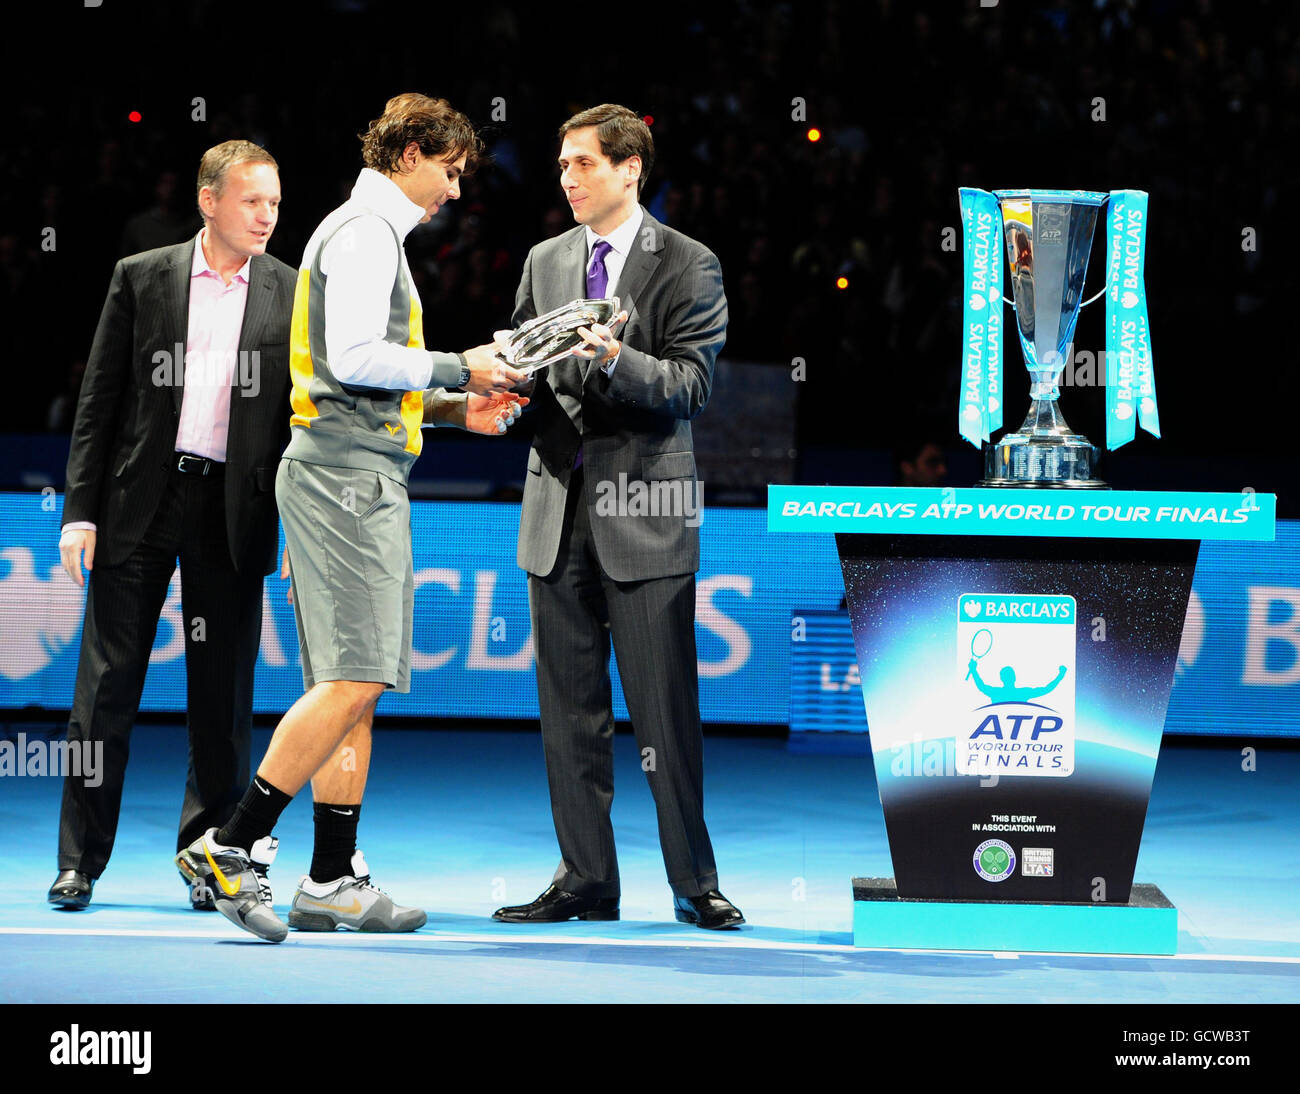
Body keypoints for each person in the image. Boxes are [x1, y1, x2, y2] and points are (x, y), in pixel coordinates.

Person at [175, 93, 527, 942]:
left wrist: (449, 407)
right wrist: (463, 365)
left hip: (358, 471)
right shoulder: (365, 233)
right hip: (345, 481)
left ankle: (331, 875)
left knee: (353, 689)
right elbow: (358, 357)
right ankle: (235, 842)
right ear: (409, 153)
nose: (452, 191)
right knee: (353, 677)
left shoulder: (364, 233)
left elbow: (356, 375)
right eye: (448, 170)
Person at [492, 104, 743, 930]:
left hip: (646, 513)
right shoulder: (544, 259)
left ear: (630, 169)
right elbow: (532, 388)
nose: (568, 178)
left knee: (663, 716)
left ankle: (694, 881)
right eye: (562, 165)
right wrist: (505, 387)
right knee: (569, 717)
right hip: (554, 513)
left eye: (584, 164)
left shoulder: (689, 263)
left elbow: (689, 390)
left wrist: (611, 356)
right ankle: (585, 879)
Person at [51, 140, 294, 911]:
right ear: (209, 200)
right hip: (139, 504)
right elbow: (99, 403)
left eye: (276, 203)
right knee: (105, 690)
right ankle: (79, 861)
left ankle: (209, 859)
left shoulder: (294, 291)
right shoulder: (141, 276)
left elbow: (301, 420)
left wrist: (296, 521)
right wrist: (80, 510)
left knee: (221, 700)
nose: (267, 216)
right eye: (254, 201)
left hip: (237, 511)